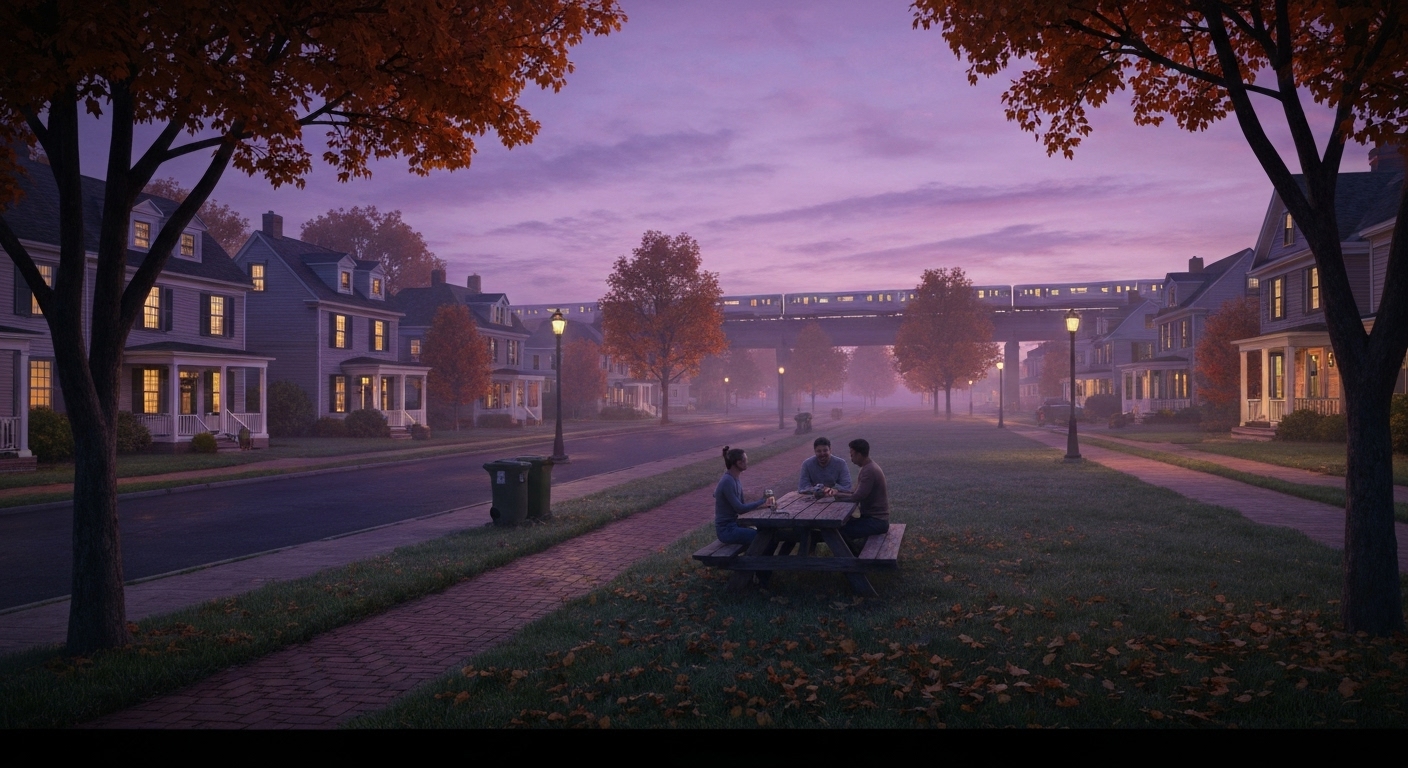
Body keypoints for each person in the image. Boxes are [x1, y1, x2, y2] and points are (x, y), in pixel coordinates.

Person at [824, 438, 888, 553]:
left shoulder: (869, 471)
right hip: (873, 519)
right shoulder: (868, 467)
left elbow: (857, 497)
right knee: (843, 526)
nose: (851, 458)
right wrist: (836, 492)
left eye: (852, 455)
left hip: (877, 521)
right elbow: (855, 493)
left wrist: (835, 498)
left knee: (839, 531)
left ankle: (854, 558)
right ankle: (855, 552)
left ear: (859, 454)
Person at [714, 446, 775, 547]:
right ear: (739, 463)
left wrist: (761, 503)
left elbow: (742, 503)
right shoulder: (727, 481)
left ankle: (759, 559)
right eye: (745, 460)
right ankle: (756, 561)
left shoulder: (735, 478)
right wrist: (762, 501)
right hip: (727, 530)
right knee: (764, 538)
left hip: (736, 524)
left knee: (768, 532)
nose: (747, 462)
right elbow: (740, 509)